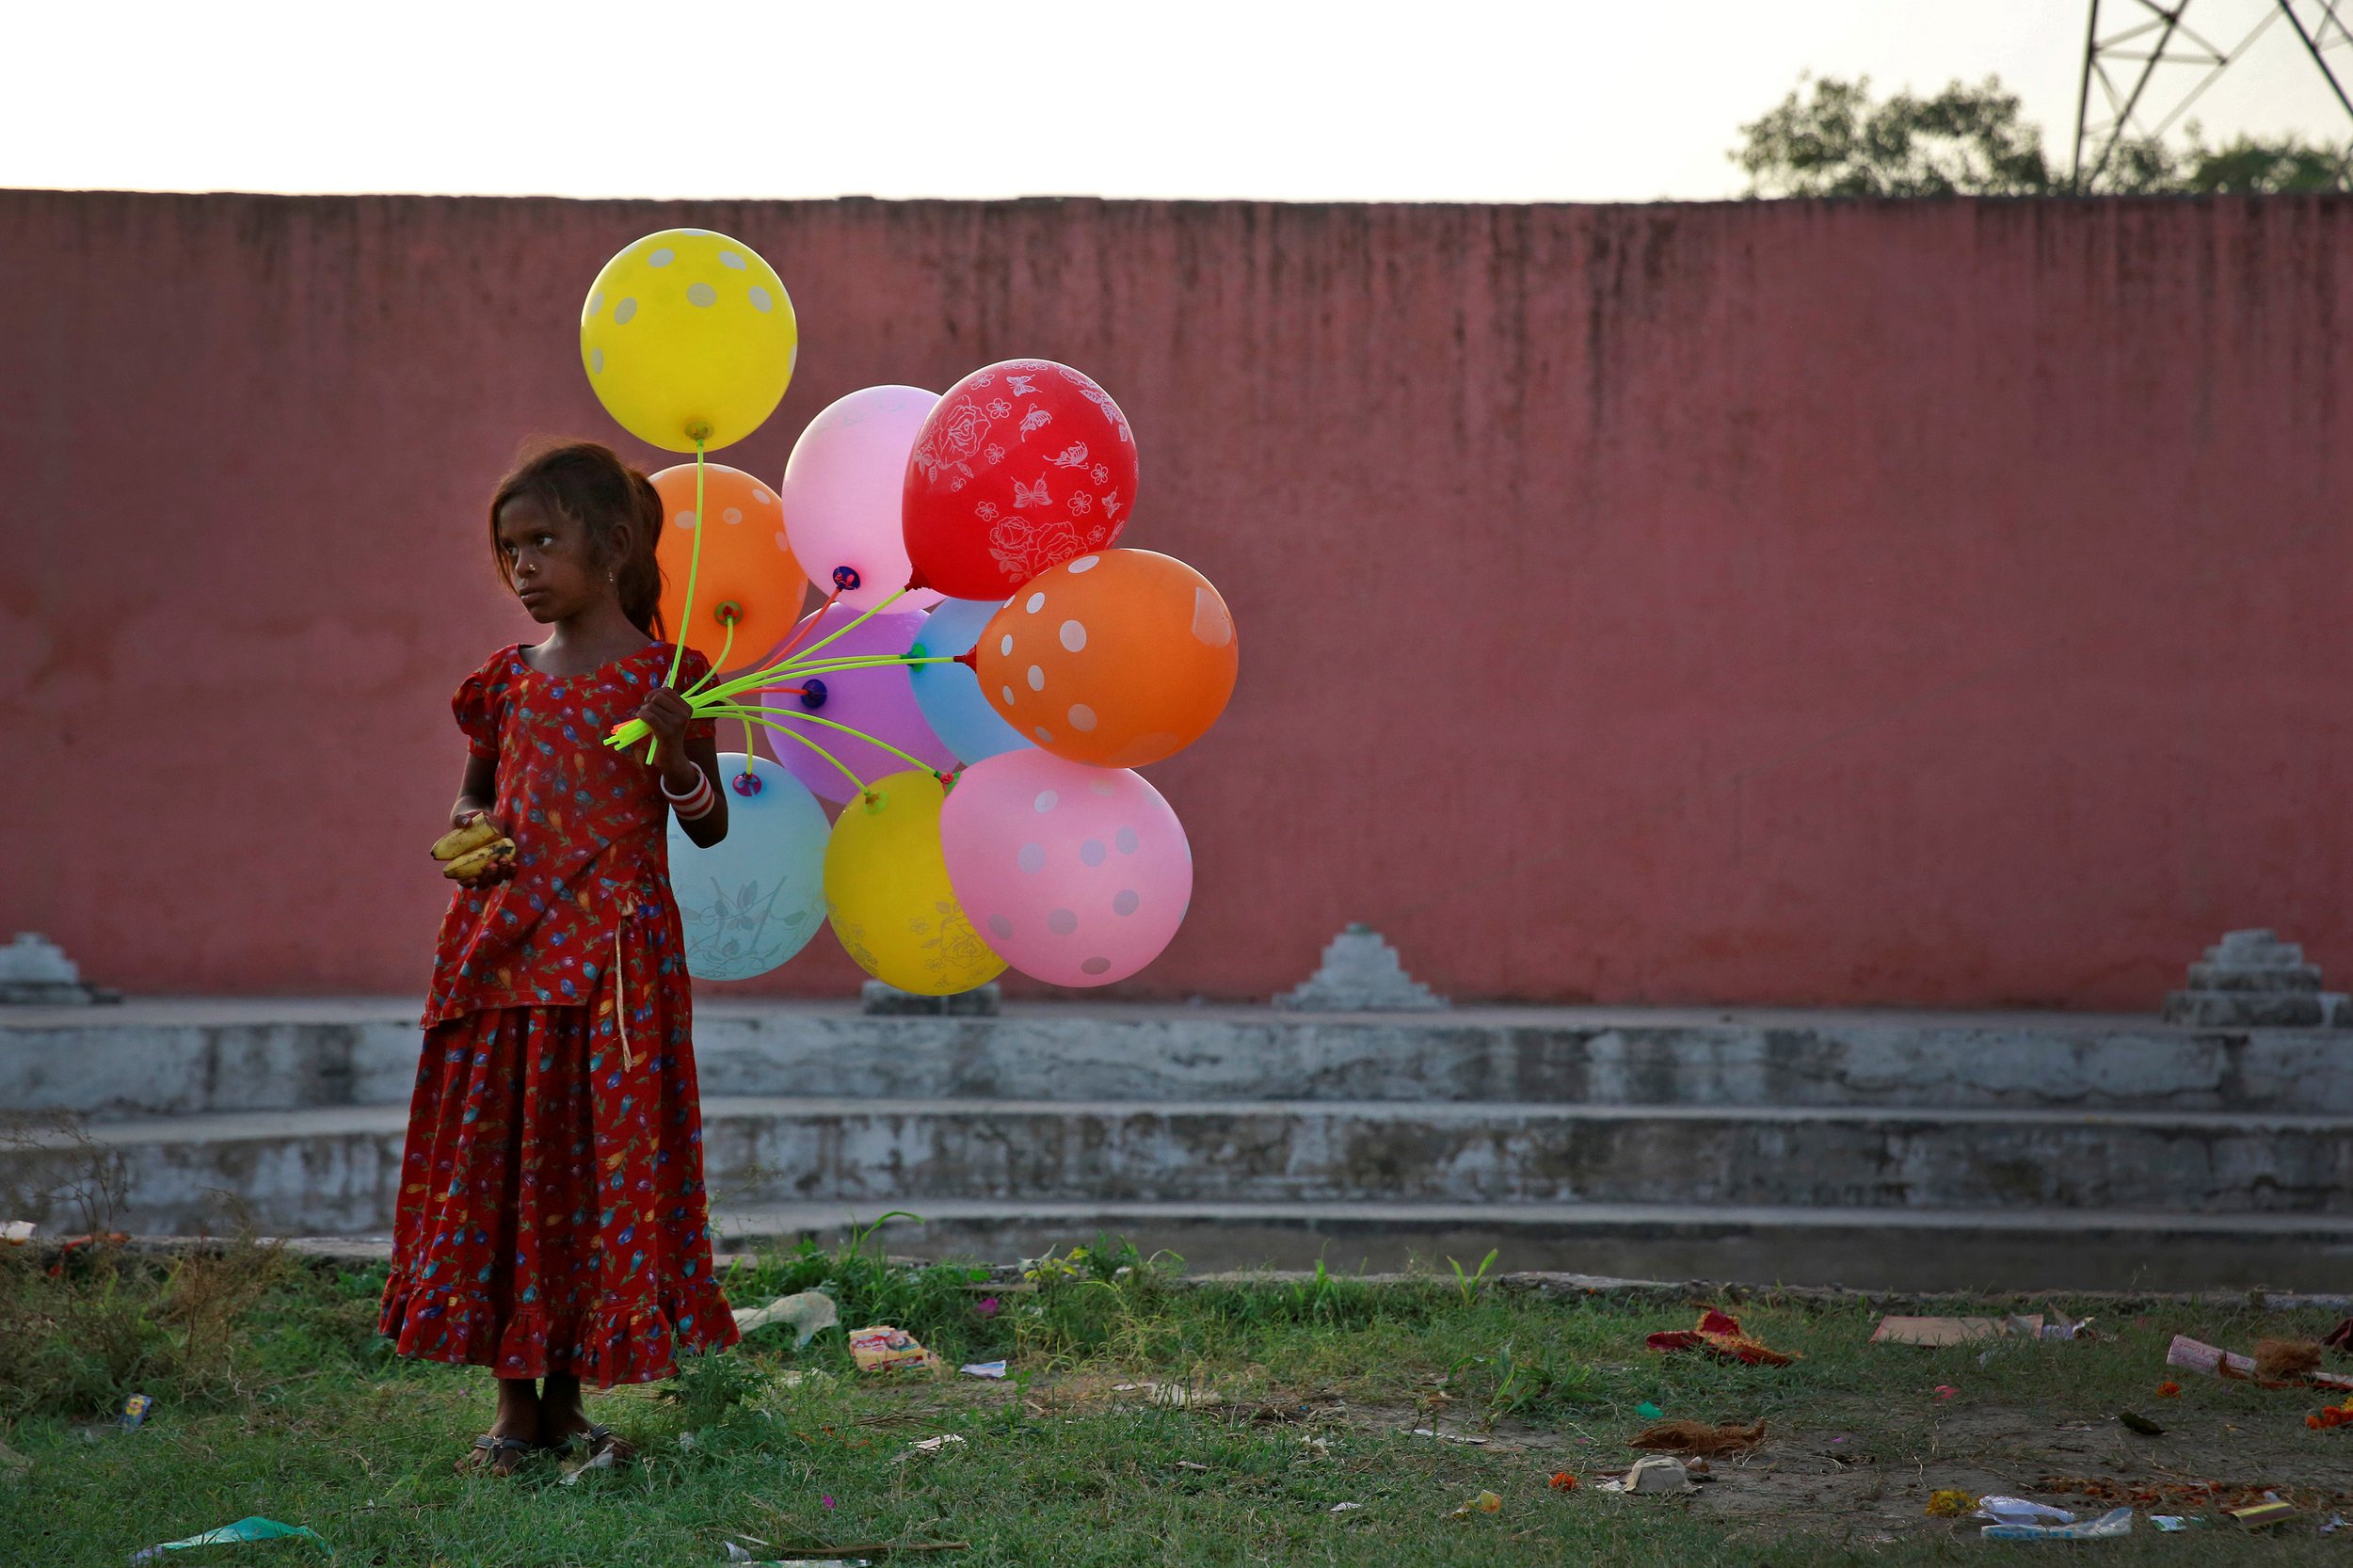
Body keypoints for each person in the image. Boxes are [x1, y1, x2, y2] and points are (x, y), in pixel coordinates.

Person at [377, 440, 742, 1476]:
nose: (523, 566)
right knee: (506, 1166)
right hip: (505, 962)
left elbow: (707, 830)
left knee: (592, 1170)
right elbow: (476, 795)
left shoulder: (673, 680)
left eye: (543, 542)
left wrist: (674, 755)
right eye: (510, 550)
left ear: (617, 546)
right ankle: (511, 1406)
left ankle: (568, 1398)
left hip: (614, 976)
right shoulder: (506, 685)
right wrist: (469, 833)